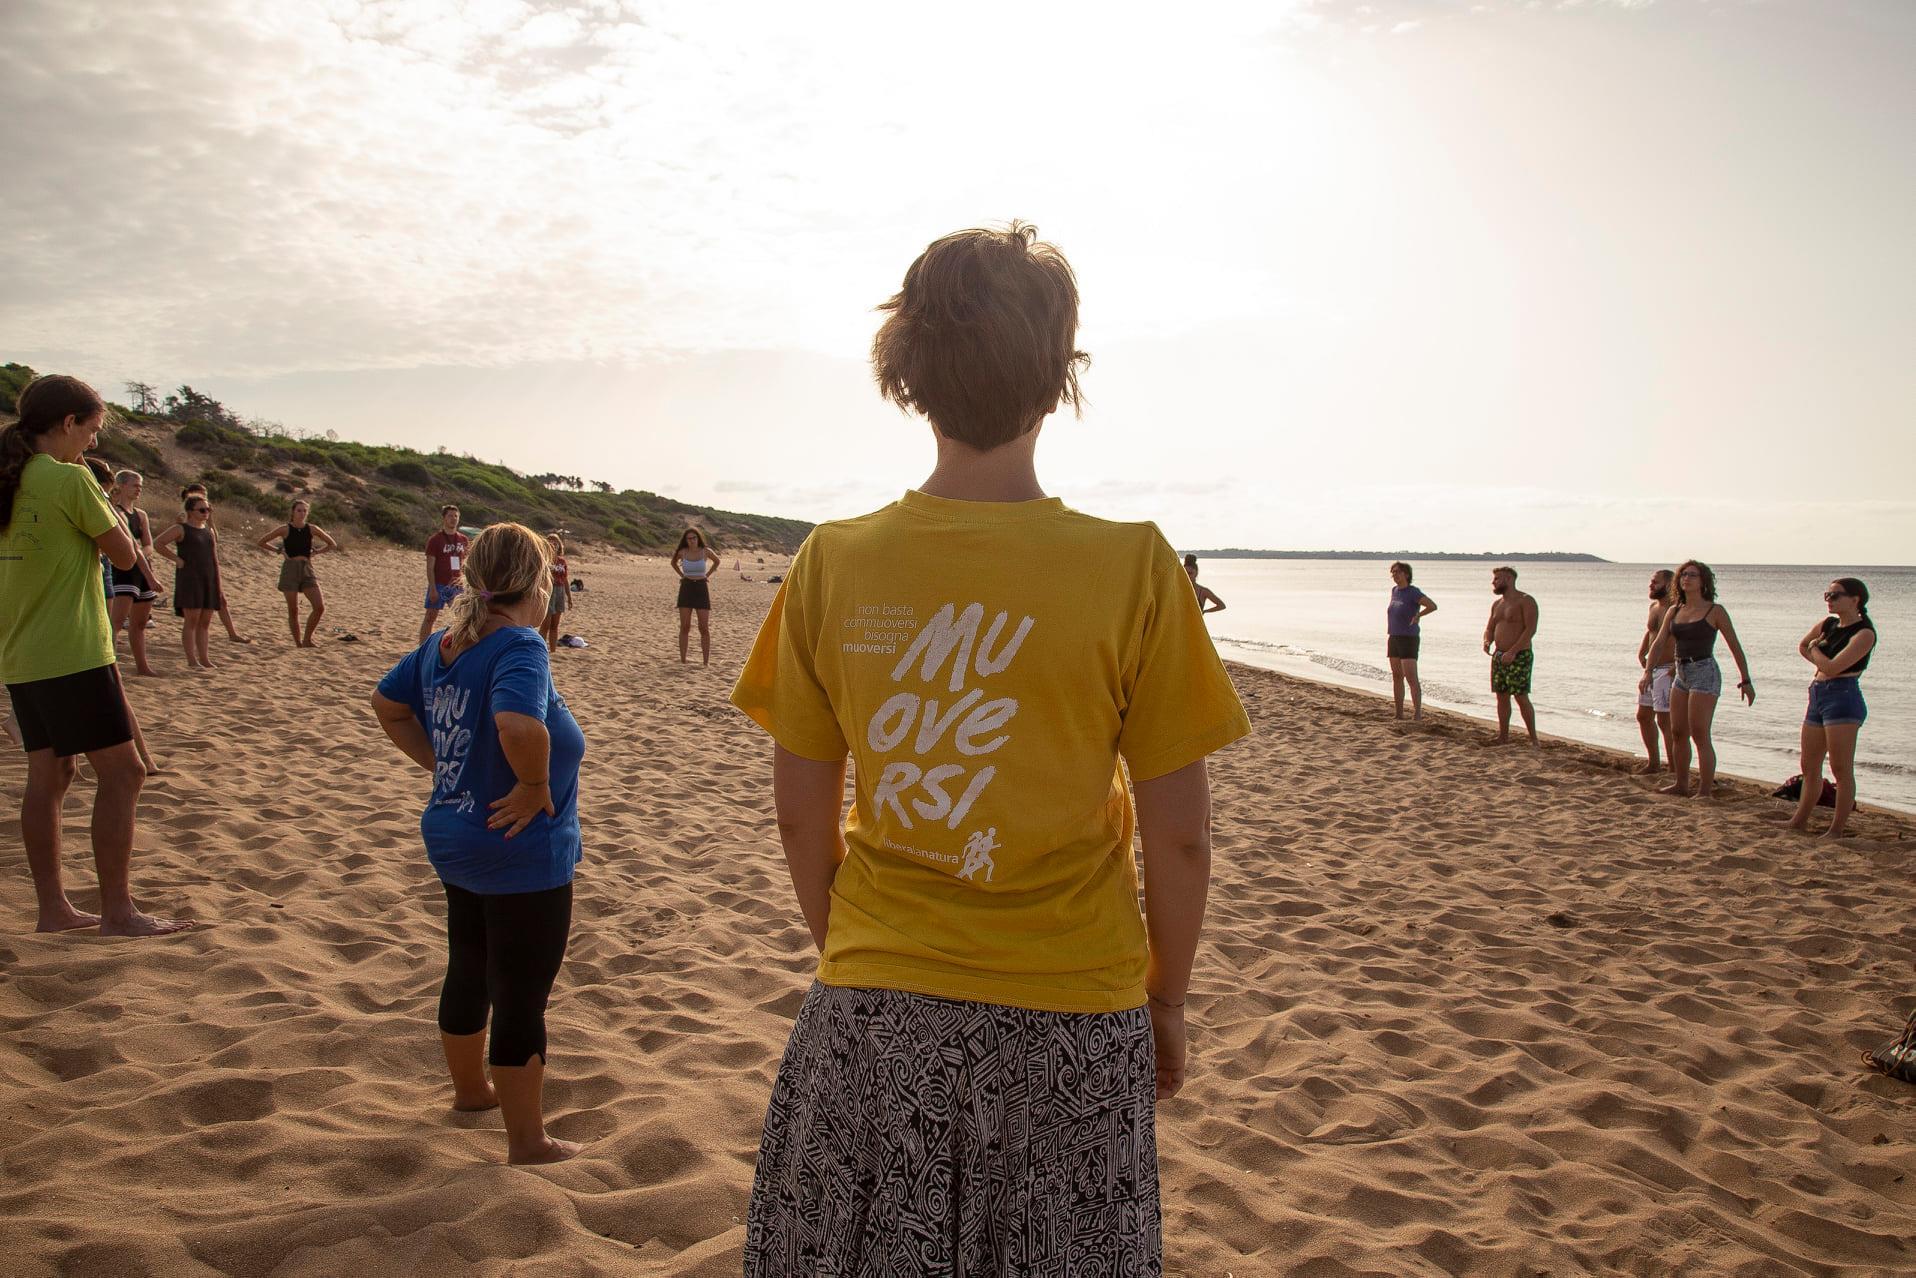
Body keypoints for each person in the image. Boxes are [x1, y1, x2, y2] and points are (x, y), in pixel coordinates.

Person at [730, 222, 1251, 1274]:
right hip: (1072, 1007)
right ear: (1058, 379)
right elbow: (1180, 840)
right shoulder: (1135, 570)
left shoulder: (832, 563)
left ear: (905, 375)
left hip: (872, 999)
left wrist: (859, 943)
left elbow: (799, 811)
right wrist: (1167, 998)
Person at [371, 522, 586, 1166]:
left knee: (470, 963)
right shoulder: (520, 643)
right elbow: (518, 722)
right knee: (521, 990)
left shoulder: (447, 643)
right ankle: (527, 1141)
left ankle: (471, 1093)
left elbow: (387, 704)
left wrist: (443, 767)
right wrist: (532, 784)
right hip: (516, 846)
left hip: (455, 834)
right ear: (541, 583)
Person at [0, 374, 190, 936]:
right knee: (125, 772)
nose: (92, 444)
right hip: (73, 649)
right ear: (67, 424)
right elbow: (125, 553)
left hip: (20, 651)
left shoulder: (9, 480)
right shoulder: (68, 479)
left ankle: (53, 908)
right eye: (91, 431)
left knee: (50, 775)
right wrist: (101, 501)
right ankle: (118, 912)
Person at [1644, 559, 1755, 798]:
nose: (1686, 578)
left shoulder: (1714, 611)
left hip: (1704, 671)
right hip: (1680, 672)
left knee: (1699, 733)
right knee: (1677, 731)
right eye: (1683, 574)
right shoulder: (1674, 611)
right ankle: (1681, 784)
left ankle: (1705, 790)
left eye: (1692, 575)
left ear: (1703, 581)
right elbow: (1659, 642)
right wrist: (1648, 672)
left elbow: (1735, 646)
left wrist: (1746, 680)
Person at [1785, 577, 1875, 837]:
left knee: (1840, 768)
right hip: (1818, 693)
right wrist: (1816, 652)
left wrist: (1817, 652)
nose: (1830, 600)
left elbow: (1835, 667)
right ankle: (1799, 820)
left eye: (1836, 596)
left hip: (1843, 697)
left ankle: (1836, 829)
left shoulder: (1864, 633)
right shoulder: (1828, 624)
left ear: (1855, 599)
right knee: (1809, 764)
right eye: (1828, 595)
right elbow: (1804, 646)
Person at [154, 496, 226, 670]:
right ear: (190, 511)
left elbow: (214, 556)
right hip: (190, 578)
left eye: (208, 510)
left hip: (208, 577)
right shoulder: (181, 528)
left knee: (205, 622)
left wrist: (217, 582)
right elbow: (159, 543)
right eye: (202, 510)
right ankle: (192, 660)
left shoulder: (208, 530)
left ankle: (205, 658)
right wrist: (176, 559)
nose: (206, 513)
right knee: (191, 620)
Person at [178, 482, 253, 645]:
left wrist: (209, 518)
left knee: (220, 600)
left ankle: (232, 633)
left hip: (209, 566)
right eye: (202, 494)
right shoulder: (186, 517)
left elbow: (214, 537)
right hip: (193, 568)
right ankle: (229, 633)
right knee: (196, 609)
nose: (205, 499)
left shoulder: (205, 514)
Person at [256, 499, 338, 647]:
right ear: (293, 512)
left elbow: (332, 544)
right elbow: (262, 541)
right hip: (290, 569)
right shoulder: (285, 529)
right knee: (293, 609)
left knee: (319, 607)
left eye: (304, 511)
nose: (302, 513)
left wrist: (316, 552)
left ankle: (307, 639)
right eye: (299, 510)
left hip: (307, 568)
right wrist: (279, 551)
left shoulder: (312, 529)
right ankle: (298, 643)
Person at [106, 470, 164, 677]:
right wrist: (138, 551)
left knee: (139, 623)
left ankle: (142, 666)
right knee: (116, 621)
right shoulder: (116, 511)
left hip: (141, 567)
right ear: (121, 486)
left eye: (140, 485)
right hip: (124, 570)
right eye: (134, 485)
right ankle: (110, 667)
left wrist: (142, 551)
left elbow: (148, 545)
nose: (138, 489)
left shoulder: (141, 515)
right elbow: (131, 544)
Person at [1481, 565, 1540, 744]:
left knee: (1521, 696)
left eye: (1497, 579)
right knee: (1501, 695)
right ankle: (1503, 736)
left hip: (1519, 655)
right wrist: (1487, 641)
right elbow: (1490, 628)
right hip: (1499, 655)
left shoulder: (1526, 600)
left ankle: (1533, 739)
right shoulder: (1497, 604)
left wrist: (1513, 651)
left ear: (1508, 579)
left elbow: (1530, 629)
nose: (1493, 582)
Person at [1633, 569, 1677, 773]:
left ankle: (1674, 767)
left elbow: (1685, 639)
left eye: (1655, 583)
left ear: (1668, 585)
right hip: (1652, 669)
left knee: (1665, 721)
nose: (1651, 586)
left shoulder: (1677, 609)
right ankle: (1654, 762)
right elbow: (1650, 631)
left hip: (1668, 669)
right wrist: (1642, 651)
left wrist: (1677, 665)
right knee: (1643, 716)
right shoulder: (1654, 607)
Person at [1386, 561, 1437, 721]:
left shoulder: (1413, 592)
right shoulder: (1395, 591)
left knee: (1411, 677)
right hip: (1393, 636)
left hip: (1409, 638)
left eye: (1398, 572)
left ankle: (1417, 714)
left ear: (1406, 574)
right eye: (1393, 572)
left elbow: (1432, 606)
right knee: (1396, 676)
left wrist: (1418, 616)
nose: (1395, 575)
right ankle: (1399, 713)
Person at [420, 504, 468, 645]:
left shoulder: (463, 540)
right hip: (439, 584)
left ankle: (457, 645)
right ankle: (422, 647)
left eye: (456, 516)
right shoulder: (435, 540)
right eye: (450, 516)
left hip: (457, 585)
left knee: (461, 616)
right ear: (444, 518)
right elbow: (430, 567)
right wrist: (433, 588)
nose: (453, 519)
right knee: (430, 617)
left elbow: (466, 563)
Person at [671, 528, 719, 664]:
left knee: (703, 627)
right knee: (685, 626)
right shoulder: (682, 552)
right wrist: (682, 576)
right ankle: (683, 660)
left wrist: (707, 575)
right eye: (689, 538)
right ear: (685, 540)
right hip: (686, 587)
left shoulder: (706, 551)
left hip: (701, 588)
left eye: (694, 538)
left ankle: (705, 662)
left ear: (698, 538)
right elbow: (673, 563)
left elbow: (717, 561)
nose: (691, 541)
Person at [541, 533, 570, 653]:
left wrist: (569, 597)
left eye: (556, 542)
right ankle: (541, 650)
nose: (553, 545)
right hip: (548, 590)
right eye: (551, 542)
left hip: (560, 591)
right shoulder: (544, 559)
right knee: (545, 625)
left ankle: (553, 651)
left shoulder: (562, 561)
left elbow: (565, 580)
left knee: (555, 625)